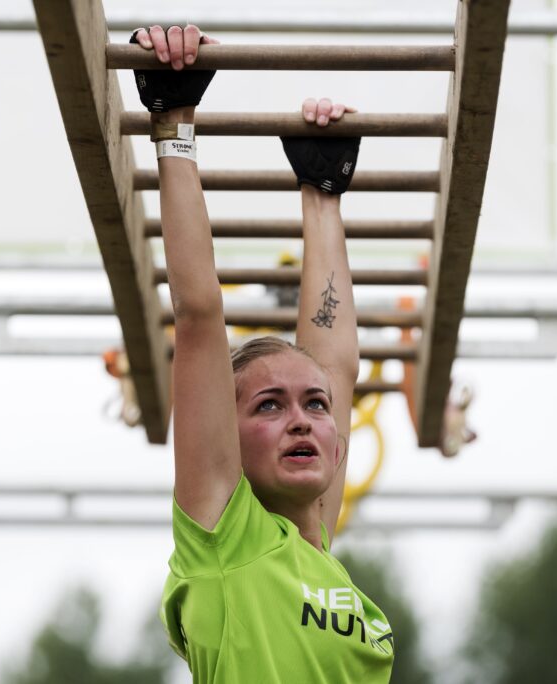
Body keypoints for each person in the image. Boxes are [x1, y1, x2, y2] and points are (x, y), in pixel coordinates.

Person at [131, 24, 395, 683]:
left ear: (339, 443)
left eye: (312, 408)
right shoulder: (225, 534)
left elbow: (334, 364)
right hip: (176, 125)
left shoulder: (314, 551)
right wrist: (174, 123)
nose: (303, 419)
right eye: (269, 406)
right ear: (227, 442)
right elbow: (198, 314)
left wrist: (322, 190)